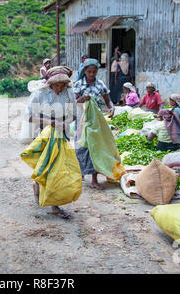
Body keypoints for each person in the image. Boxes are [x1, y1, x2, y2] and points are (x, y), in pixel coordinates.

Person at [26, 66, 78, 219]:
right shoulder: (40, 94)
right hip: (43, 134)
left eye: (63, 85)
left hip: (61, 134)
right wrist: (49, 121)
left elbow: (74, 114)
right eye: (56, 85)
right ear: (49, 84)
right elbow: (30, 117)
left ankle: (54, 205)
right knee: (44, 165)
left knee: (57, 167)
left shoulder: (69, 92)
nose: (60, 88)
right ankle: (38, 187)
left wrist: (64, 123)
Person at [73, 58, 114, 190]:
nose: (91, 74)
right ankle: (80, 174)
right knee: (82, 147)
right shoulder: (78, 84)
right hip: (82, 120)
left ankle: (94, 179)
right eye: (89, 71)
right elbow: (73, 102)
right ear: (84, 71)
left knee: (95, 147)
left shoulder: (100, 84)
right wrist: (82, 99)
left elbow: (108, 100)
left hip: (96, 120)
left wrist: (112, 108)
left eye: (94, 72)